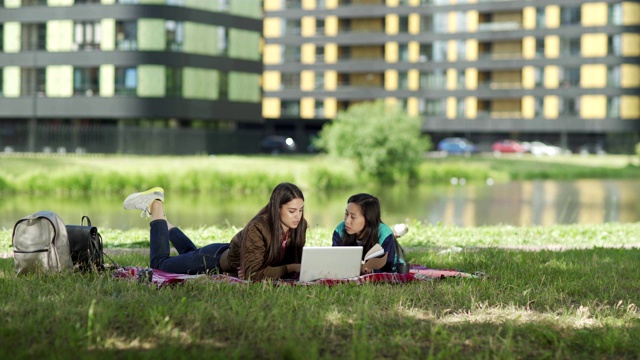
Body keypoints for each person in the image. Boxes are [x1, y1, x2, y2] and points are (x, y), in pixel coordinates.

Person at [123, 182, 307, 281]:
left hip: (220, 254)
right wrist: (287, 268)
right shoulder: (258, 228)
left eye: (300, 210)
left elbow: (294, 263)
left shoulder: (300, 226)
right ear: (276, 208)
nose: (297, 216)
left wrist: (272, 270)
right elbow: (254, 275)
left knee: (189, 254)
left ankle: (164, 222)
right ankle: (156, 205)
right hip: (212, 261)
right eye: (292, 211)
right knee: (159, 264)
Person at [332, 193, 406, 274]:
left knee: (395, 243)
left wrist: (372, 271)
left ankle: (396, 233)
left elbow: (391, 267)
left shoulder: (385, 234)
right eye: (346, 214)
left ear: (368, 218)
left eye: (353, 217)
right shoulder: (340, 229)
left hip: (389, 241)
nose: (347, 221)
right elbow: (334, 259)